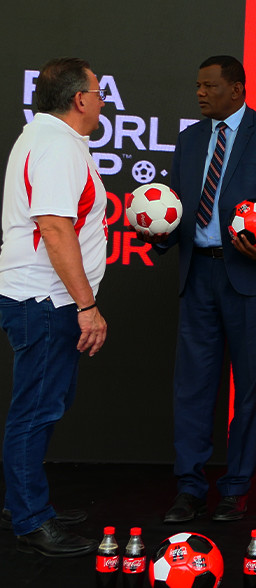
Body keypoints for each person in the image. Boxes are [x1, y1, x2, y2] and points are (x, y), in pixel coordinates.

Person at [136, 56, 256, 523]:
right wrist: (158, 232)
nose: (199, 93)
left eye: (209, 86)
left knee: (247, 387)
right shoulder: (190, 139)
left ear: (237, 89)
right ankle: (189, 489)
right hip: (198, 276)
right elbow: (175, 208)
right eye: (197, 86)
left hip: (251, 277)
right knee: (192, 387)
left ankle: (236, 488)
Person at [0, 57, 108, 556]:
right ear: (80, 100)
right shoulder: (57, 146)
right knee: (35, 411)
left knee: (42, 405)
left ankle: (21, 503)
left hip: (41, 296)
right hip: (46, 299)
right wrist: (87, 306)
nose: (102, 102)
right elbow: (54, 228)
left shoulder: (50, 139)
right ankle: (30, 519)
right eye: (98, 93)